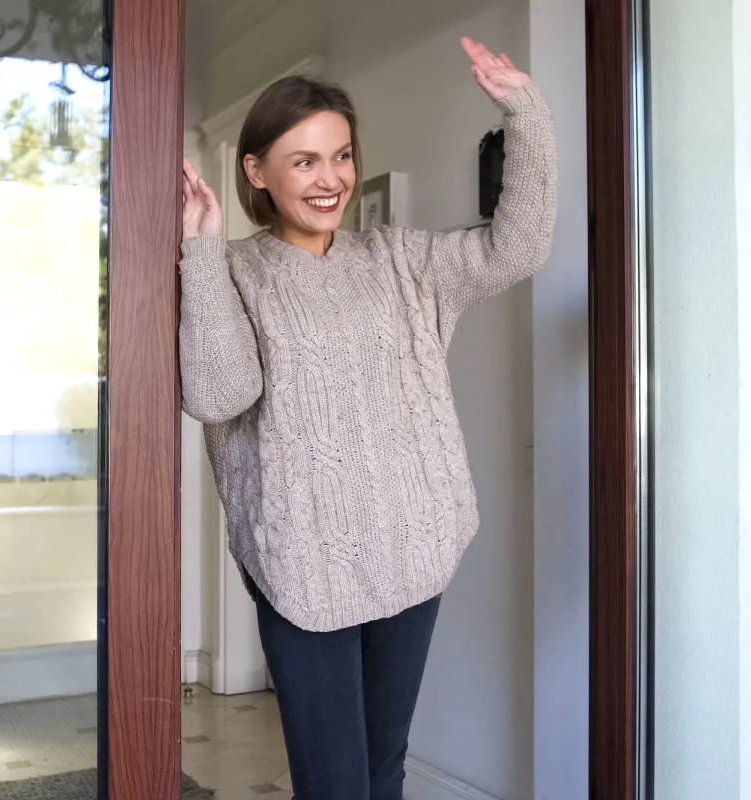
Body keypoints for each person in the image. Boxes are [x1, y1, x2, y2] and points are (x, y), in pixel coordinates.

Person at [179, 36, 557, 800]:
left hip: (412, 547)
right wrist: (202, 254)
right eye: (305, 160)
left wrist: (526, 111)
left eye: (342, 156)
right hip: (301, 566)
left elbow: (517, 249)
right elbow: (219, 396)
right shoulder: (235, 272)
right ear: (256, 170)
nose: (331, 180)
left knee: (385, 767)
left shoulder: (401, 260)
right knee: (335, 783)